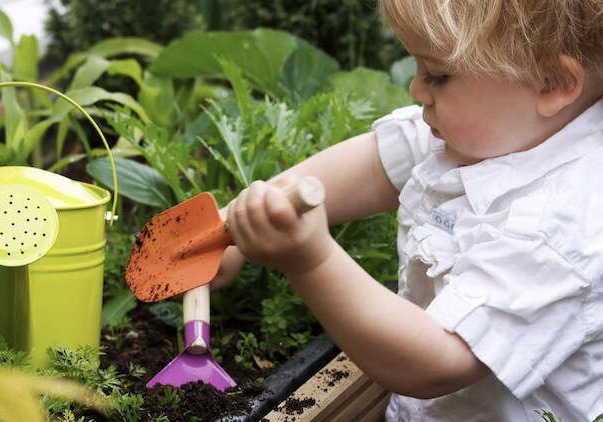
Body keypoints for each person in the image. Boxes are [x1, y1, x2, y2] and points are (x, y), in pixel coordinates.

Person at [209, 0, 603, 420]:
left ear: (552, 83)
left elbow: (436, 361)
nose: (416, 90)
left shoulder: (561, 226)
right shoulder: (498, 125)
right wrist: (232, 227)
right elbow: (375, 165)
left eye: (437, 74)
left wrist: (309, 261)